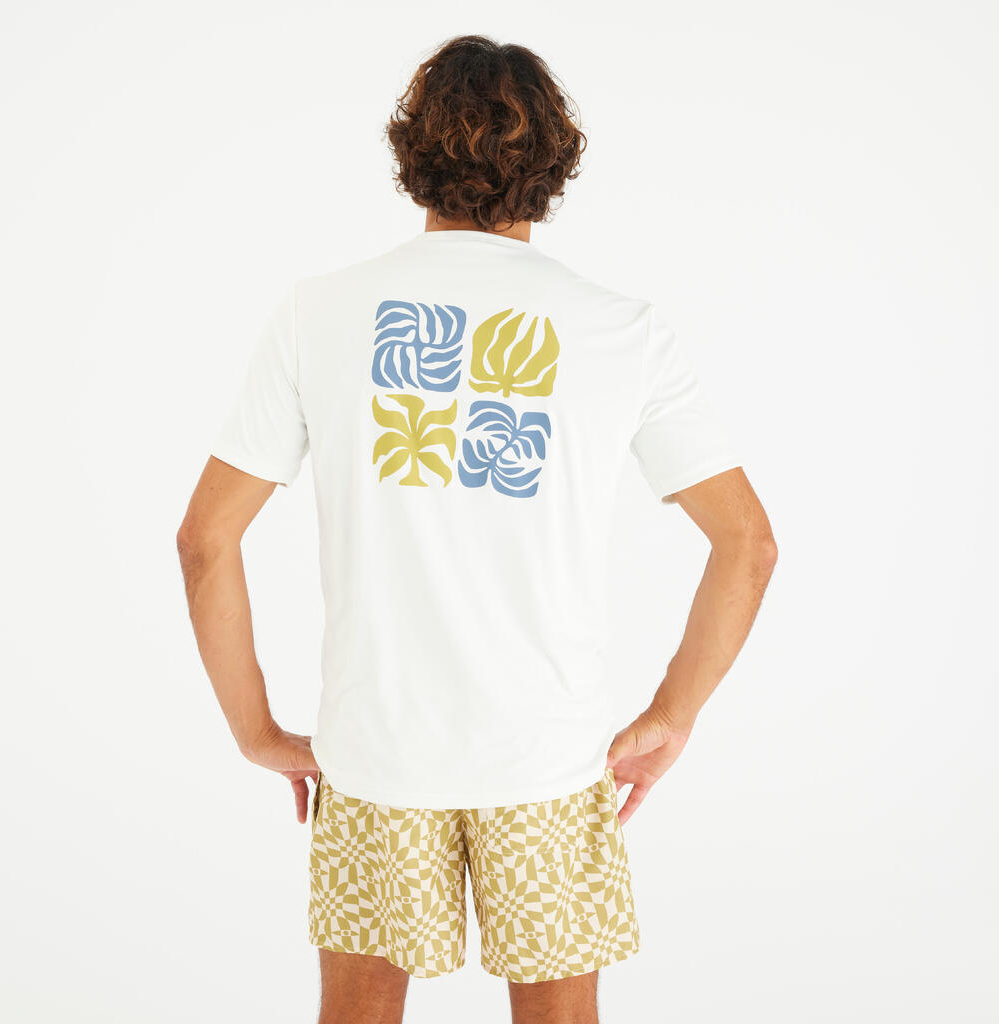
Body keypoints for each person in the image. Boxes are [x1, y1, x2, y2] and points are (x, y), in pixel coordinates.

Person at [177, 33, 776, 1024]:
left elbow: (206, 539)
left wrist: (257, 732)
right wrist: (672, 715)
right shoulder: (619, 329)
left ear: (411, 149)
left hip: (376, 757)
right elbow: (747, 544)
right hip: (548, 758)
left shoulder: (319, 314)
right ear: (554, 162)